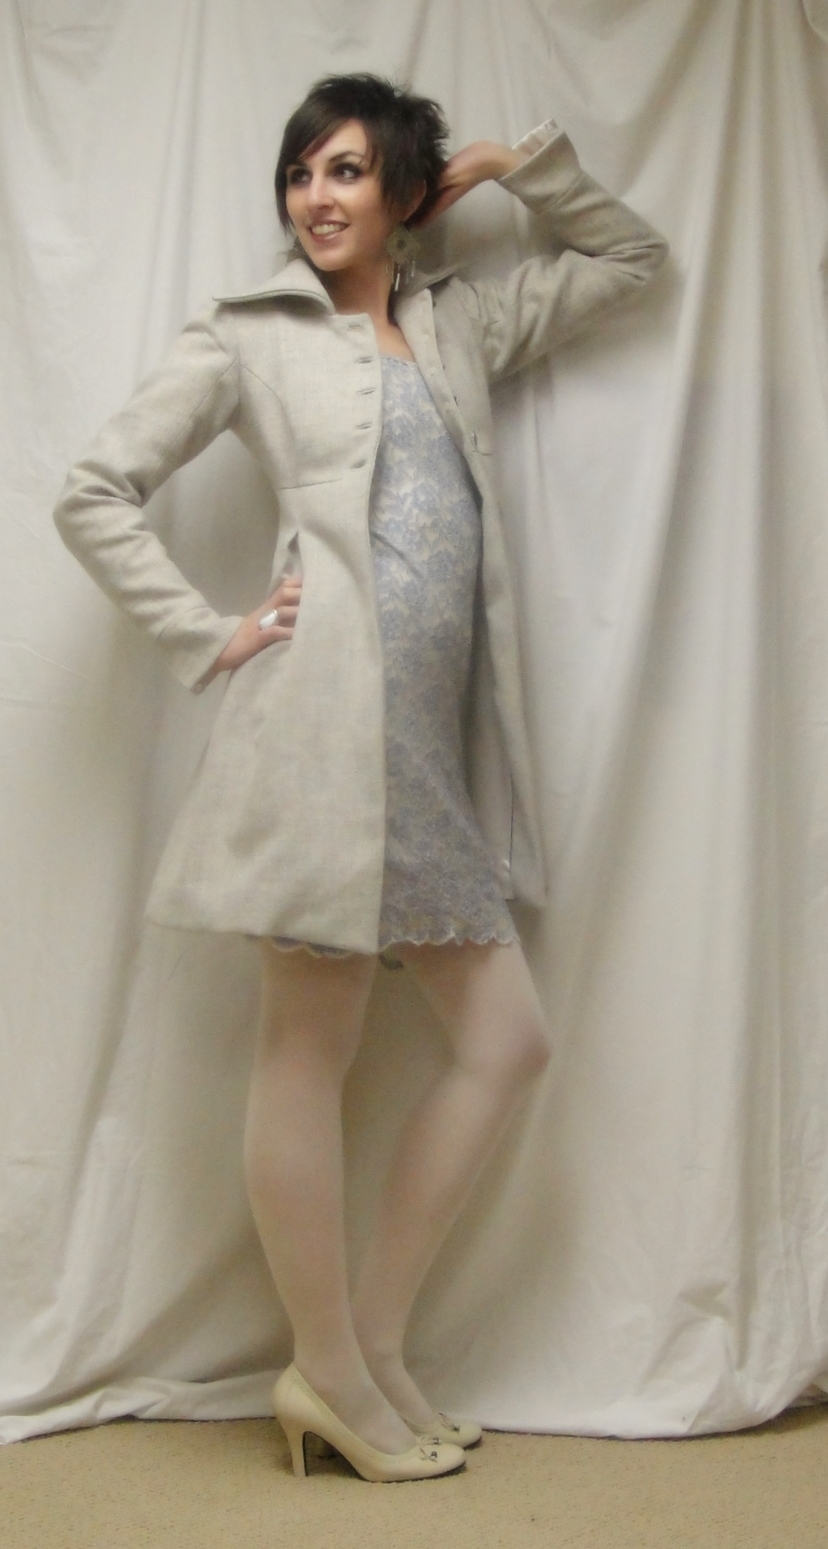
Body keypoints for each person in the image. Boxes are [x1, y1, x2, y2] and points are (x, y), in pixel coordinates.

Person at [54, 73, 667, 1482]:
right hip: (315, 739)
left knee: (507, 1043)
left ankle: (370, 1348)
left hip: (427, 752)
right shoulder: (249, 332)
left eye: (344, 171)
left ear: (403, 190)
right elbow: (94, 488)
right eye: (300, 173)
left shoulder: (459, 322)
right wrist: (209, 632)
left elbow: (632, 260)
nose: (316, 198)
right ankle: (328, 1367)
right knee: (306, 1049)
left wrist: (512, 168)